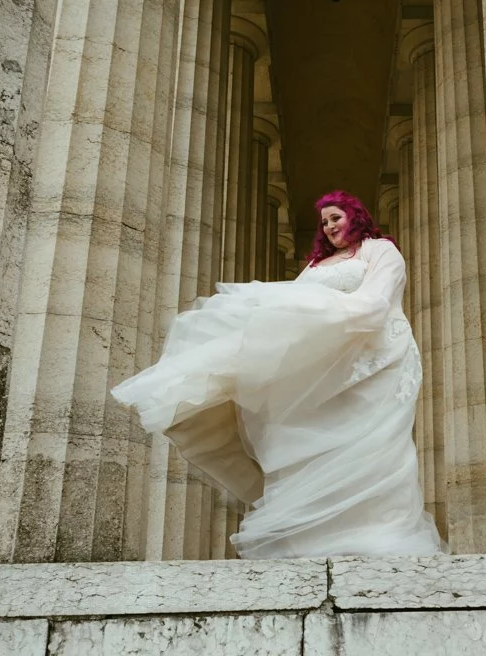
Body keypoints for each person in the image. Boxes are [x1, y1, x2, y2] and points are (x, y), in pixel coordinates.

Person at [112, 190, 444, 559]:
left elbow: (377, 302)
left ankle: (378, 535)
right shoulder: (318, 265)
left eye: (336, 217)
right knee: (315, 438)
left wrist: (324, 314)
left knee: (372, 441)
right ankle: (313, 538)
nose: (331, 226)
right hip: (326, 358)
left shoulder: (380, 250)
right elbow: (290, 305)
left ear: (355, 215)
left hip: (376, 357)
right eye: (324, 222)